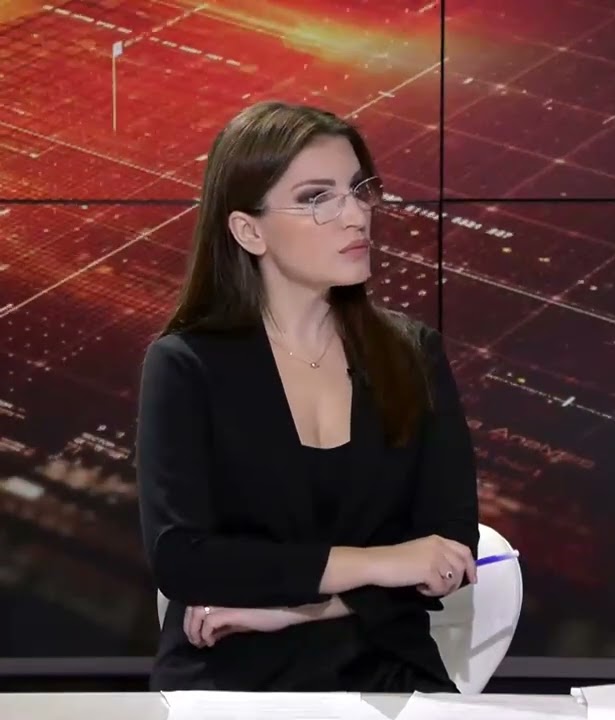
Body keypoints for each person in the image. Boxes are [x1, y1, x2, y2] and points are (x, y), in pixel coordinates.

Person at [135, 101, 479, 692]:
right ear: (249, 231)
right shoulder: (187, 365)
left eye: (359, 190)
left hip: (390, 670)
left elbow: (448, 551)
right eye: (318, 197)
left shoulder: (412, 354)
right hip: (230, 674)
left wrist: (295, 610)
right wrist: (380, 562)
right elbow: (184, 558)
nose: (356, 216)